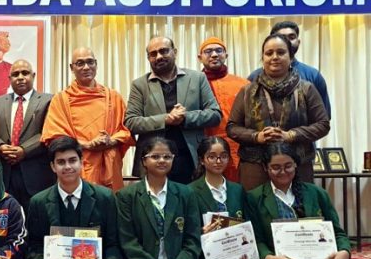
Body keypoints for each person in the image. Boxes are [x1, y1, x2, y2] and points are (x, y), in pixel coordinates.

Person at [246, 143, 365, 259]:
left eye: (288, 166)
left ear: (296, 164)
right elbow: (256, 239)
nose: (283, 172)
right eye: (275, 167)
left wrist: (344, 254)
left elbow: (338, 232)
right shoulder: (254, 197)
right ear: (266, 168)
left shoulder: (317, 193)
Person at [26, 136, 123, 259]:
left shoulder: (105, 198)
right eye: (61, 162)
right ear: (53, 167)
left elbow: (115, 242)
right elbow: (34, 245)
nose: (67, 167)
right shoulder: (38, 201)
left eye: (72, 160)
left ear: (81, 163)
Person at [116, 137, 212, 259]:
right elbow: (128, 242)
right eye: (155, 156)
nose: (162, 161)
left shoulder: (186, 193)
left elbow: (193, 238)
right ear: (144, 160)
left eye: (167, 156)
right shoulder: (127, 195)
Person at [227, 33, 330, 191]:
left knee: (299, 211)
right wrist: (257, 136)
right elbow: (232, 127)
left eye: (281, 52)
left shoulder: (306, 89)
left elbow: (323, 125)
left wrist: (291, 135)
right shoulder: (247, 91)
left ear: (290, 57)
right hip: (255, 166)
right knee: (257, 212)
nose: (274, 57)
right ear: (263, 58)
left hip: (296, 165)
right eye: (269, 53)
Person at [189, 137, 272, 259]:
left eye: (223, 156)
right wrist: (201, 233)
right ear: (202, 160)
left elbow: (250, 228)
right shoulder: (190, 191)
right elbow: (186, 233)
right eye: (212, 156)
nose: (218, 161)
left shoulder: (238, 190)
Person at [124, 36, 221, 184]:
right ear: (148, 58)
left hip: (191, 159)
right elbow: (131, 122)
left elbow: (215, 114)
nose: (159, 57)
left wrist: (185, 118)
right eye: (153, 54)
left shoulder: (197, 78)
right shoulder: (139, 85)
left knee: (190, 205)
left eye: (164, 51)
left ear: (174, 52)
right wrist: (165, 119)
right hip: (154, 161)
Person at [41, 47, 133, 191]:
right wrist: (87, 145)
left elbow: (126, 131)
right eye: (80, 63)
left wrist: (111, 141)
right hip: (75, 166)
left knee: (110, 208)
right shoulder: (60, 100)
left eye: (90, 62)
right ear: (72, 67)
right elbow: (54, 137)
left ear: (96, 64)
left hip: (109, 166)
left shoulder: (113, 97)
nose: (86, 67)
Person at [0, 59, 54, 212]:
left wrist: (23, 150)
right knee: (5, 221)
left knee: (36, 223)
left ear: (33, 75)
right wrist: (0, 146)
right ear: (9, 79)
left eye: (25, 73)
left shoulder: (48, 100)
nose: (20, 77)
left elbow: (49, 131)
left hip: (36, 174)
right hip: (5, 173)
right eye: (15, 74)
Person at [248, 21, 331, 118]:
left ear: (298, 42)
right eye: (282, 37)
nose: (287, 41)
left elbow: (323, 119)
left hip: (303, 133)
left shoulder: (313, 75)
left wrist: (295, 133)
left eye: (291, 37)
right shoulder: (254, 77)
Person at [197, 37, 249, 182]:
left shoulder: (243, 84)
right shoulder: (192, 84)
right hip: (203, 148)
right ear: (200, 58)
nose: (214, 54)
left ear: (226, 55)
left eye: (219, 50)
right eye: (208, 51)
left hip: (236, 149)